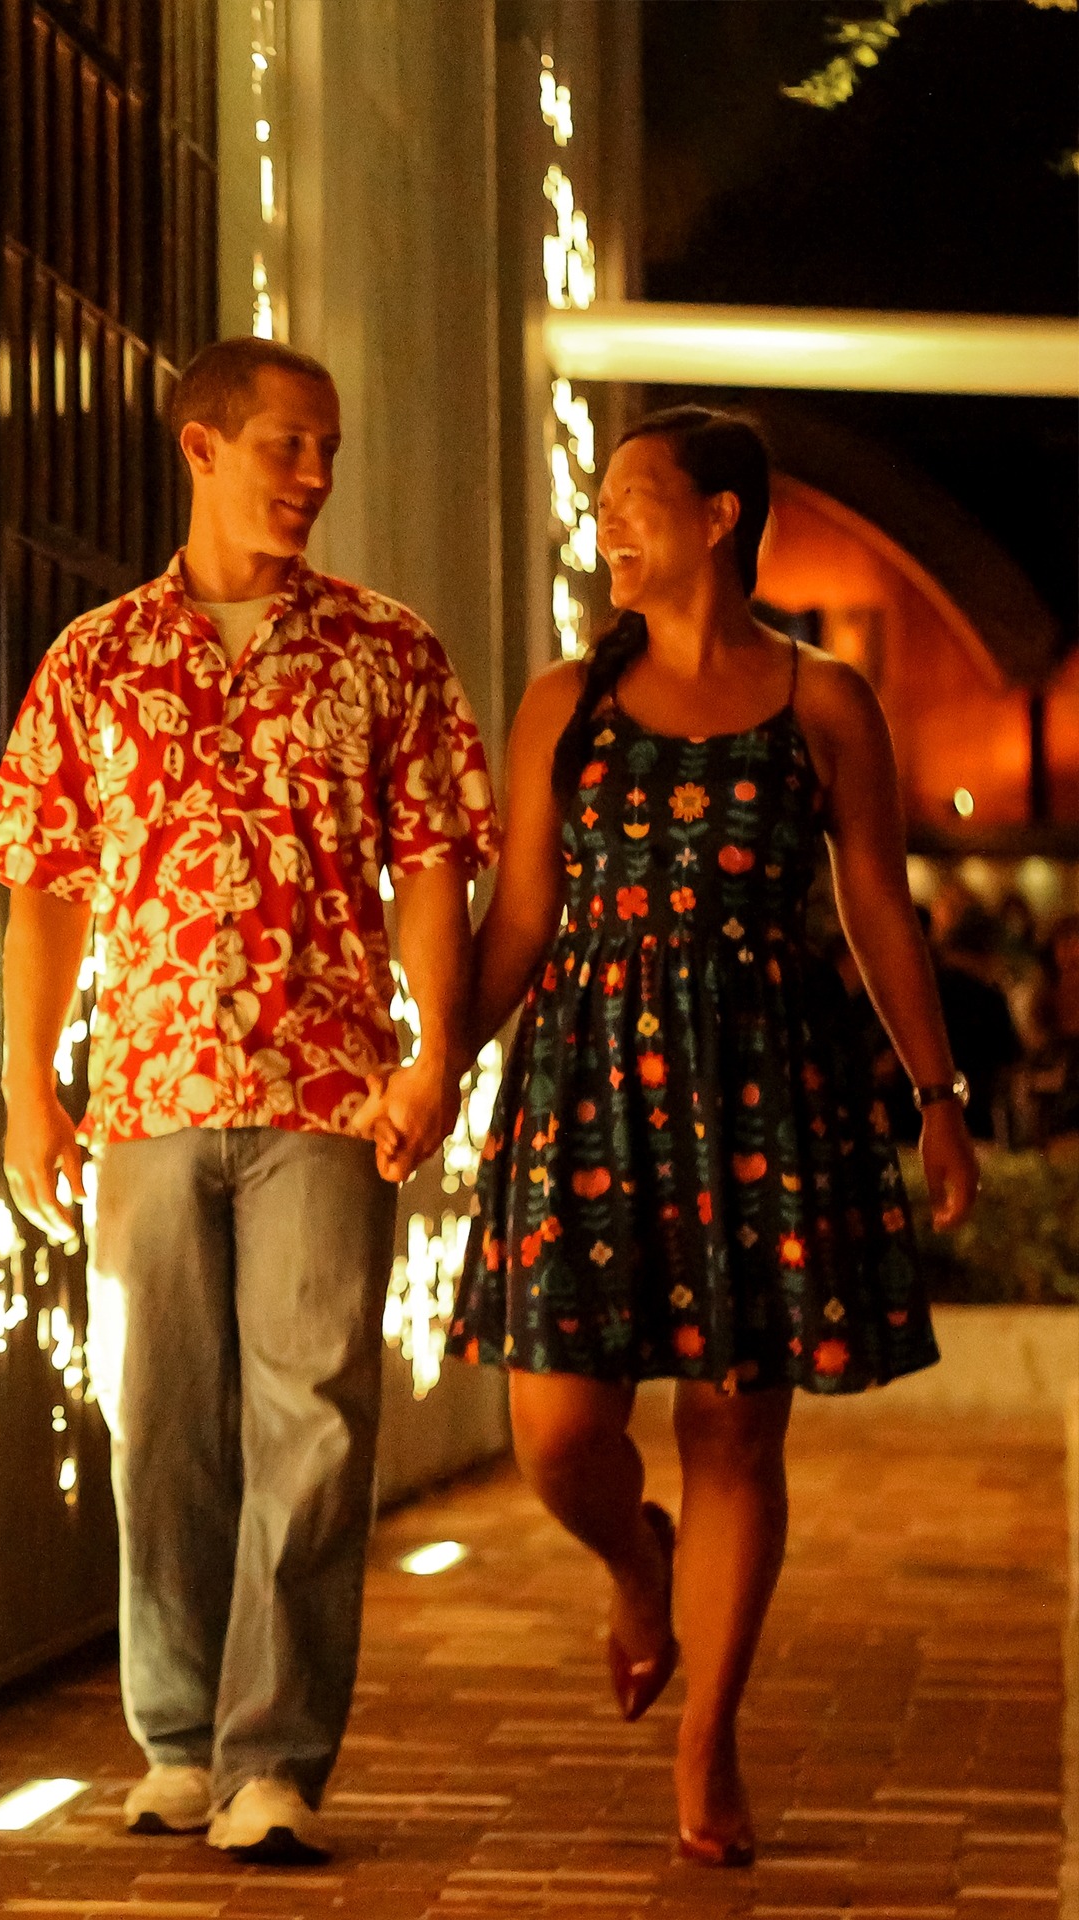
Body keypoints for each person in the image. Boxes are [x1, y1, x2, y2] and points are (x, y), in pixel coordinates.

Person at [0, 336, 496, 1866]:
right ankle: (179, 1741)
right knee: (158, 1428)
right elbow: (45, 890)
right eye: (288, 443)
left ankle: (275, 1758)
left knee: (318, 1423)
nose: (316, 474)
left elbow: (433, 864)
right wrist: (29, 1095)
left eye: (329, 446)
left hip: (329, 1089)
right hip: (141, 1090)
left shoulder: (387, 652)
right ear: (201, 446)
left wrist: (432, 1053)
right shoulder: (94, 659)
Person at [446, 406, 974, 1870]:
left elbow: (876, 909)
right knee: (557, 1429)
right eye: (603, 503)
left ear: (721, 518)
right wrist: (437, 1071)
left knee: (735, 1426)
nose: (607, 525)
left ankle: (709, 1736)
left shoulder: (823, 702)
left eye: (634, 501)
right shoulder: (564, 700)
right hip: (586, 1078)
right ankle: (637, 1566)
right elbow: (524, 924)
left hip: (763, 1083)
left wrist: (939, 1098)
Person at [927, 894, 1023, 1142]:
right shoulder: (989, 998)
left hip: (926, 1105)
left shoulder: (930, 988)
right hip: (976, 1110)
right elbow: (1010, 1055)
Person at [1013, 911, 1079, 1150]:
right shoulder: (1043, 995)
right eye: (1065, 942)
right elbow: (1033, 1044)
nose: (1072, 950)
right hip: (1052, 1089)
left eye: (1076, 941)